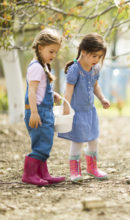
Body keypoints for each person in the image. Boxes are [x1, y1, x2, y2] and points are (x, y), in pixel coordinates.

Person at [58, 33, 110, 182]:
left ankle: (92, 167)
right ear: (83, 52)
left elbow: (95, 85)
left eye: (99, 57)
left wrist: (102, 98)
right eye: (94, 56)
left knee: (94, 139)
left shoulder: (95, 69)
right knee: (78, 141)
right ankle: (75, 170)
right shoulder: (75, 70)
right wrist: (65, 109)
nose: (97, 60)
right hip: (77, 112)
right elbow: (68, 92)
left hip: (90, 112)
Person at [23, 29, 65, 186]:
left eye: (55, 52)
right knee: (41, 144)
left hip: (45, 111)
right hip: (38, 112)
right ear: (40, 48)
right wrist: (34, 113)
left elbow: (40, 89)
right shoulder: (36, 67)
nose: (53, 55)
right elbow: (31, 92)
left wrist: (52, 94)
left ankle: (43, 173)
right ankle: (29, 174)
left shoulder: (44, 66)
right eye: (51, 51)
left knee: (45, 143)